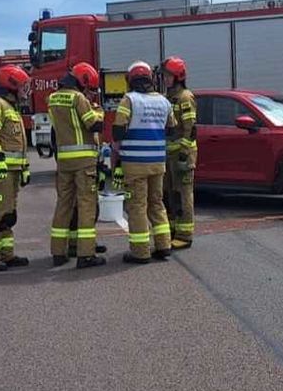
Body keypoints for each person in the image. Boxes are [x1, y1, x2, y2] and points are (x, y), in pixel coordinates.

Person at [114, 61, 175, 264]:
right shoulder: (164, 101)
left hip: (134, 163)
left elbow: (118, 130)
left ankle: (140, 252)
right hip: (158, 162)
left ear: (131, 79)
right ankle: (164, 245)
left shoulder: (129, 100)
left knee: (137, 206)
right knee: (157, 203)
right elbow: (172, 129)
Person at [47, 62, 106, 269]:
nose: (88, 90)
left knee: (63, 205)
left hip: (64, 161)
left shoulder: (53, 98)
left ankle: (58, 252)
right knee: (87, 205)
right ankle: (85, 254)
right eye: (88, 86)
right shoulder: (78, 98)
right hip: (84, 163)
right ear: (83, 81)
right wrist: (98, 110)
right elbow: (94, 124)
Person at [0, 65, 32, 271]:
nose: (25, 91)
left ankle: (7, 254)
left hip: (12, 171)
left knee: (10, 213)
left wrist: (24, 167)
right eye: (22, 86)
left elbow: (19, 144)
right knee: (0, 212)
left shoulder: (12, 108)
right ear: (11, 86)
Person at [162, 56, 197, 250]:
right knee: (170, 194)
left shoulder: (185, 97)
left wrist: (184, 152)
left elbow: (190, 130)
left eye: (169, 76)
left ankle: (185, 235)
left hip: (183, 155)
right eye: (165, 75)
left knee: (184, 194)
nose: (166, 79)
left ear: (178, 77)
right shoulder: (168, 98)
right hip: (170, 155)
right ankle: (173, 229)